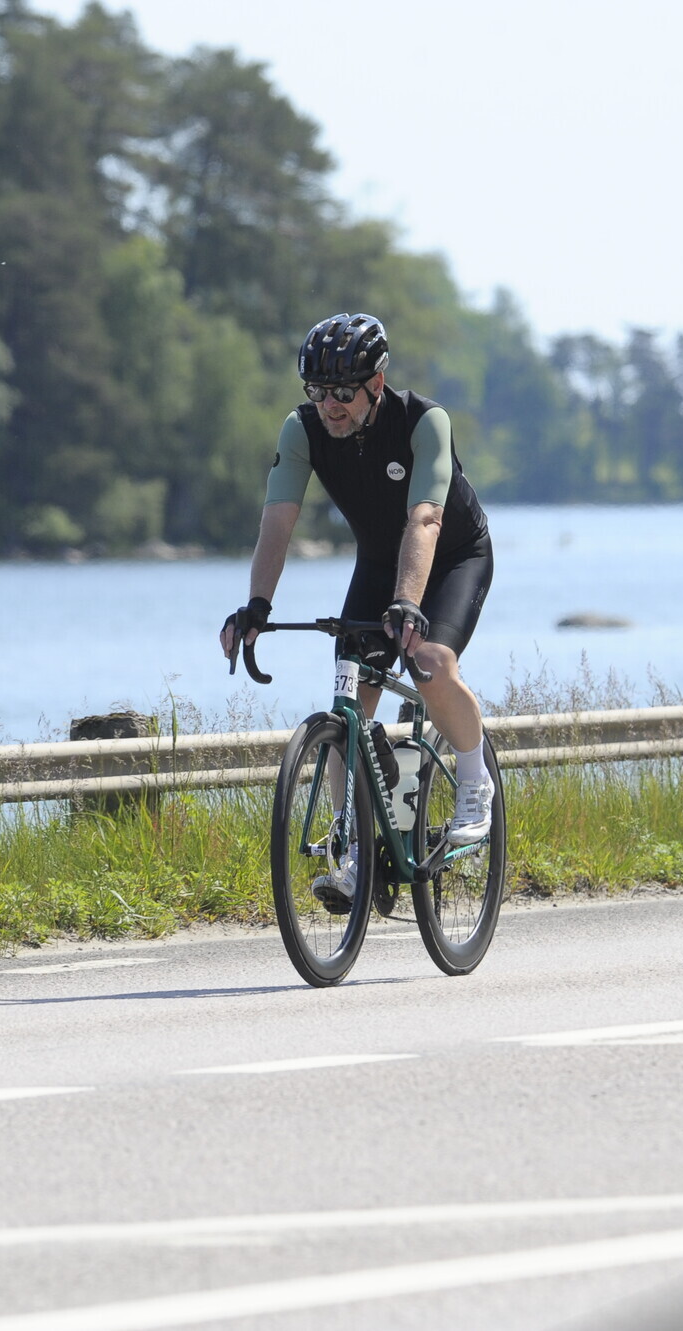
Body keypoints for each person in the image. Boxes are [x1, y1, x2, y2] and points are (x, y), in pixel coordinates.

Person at [219, 312, 495, 909]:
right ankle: (353, 850)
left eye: (343, 392)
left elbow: (426, 518)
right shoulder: (302, 430)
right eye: (317, 390)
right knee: (350, 702)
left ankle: (476, 783)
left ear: (377, 383)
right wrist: (257, 605)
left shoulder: (424, 421)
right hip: (379, 563)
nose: (329, 405)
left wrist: (409, 603)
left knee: (430, 663)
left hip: (452, 556)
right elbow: (277, 522)